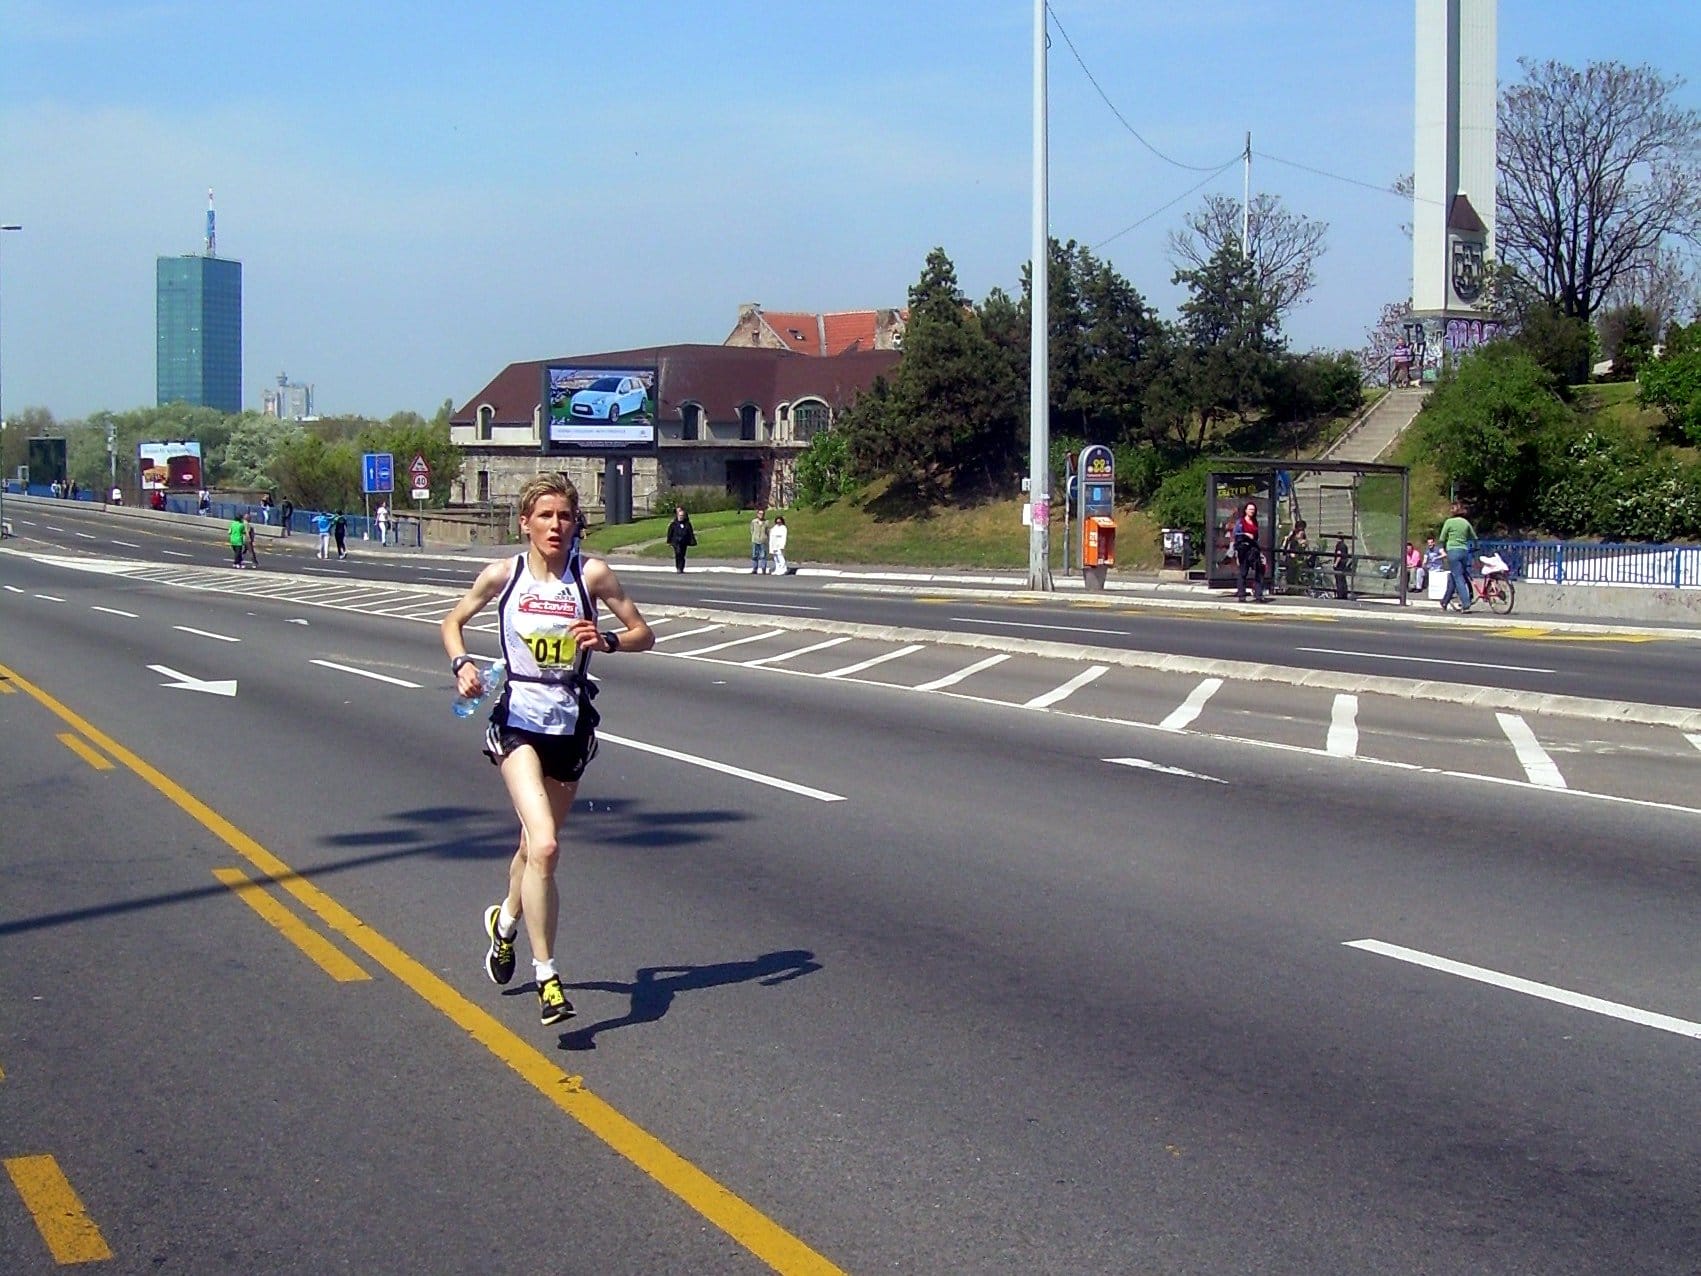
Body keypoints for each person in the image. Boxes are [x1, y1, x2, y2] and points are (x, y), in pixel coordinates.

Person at [440, 474, 655, 1027]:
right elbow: (453, 621)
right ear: (525, 523)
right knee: (547, 845)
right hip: (518, 721)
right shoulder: (503, 575)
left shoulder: (592, 575)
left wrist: (607, 640)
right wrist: (462, 664)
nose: (556, 526)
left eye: (564, 516)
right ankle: (547, 978)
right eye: (545, 516)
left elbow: (643, 633)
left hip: (570, 723)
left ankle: (505, 924)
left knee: (532, 850)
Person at [1437, 501, 1477, 613]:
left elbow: (1442, 538)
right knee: (1454, 576)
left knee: (1458, 577)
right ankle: (1445, 601)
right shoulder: (1465, 523)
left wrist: (1442, 549)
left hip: (1453, 551)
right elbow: (1474, 537)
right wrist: (1475, 547)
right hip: (1464, 551)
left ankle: (1466, 604)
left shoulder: (1449, 522)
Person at [1230, 501, 1266, 603]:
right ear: (1246, 510)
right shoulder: (1241, 522)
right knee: (1243, 572)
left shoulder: (1255, 522)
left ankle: (1258, 595)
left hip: (1253, 549)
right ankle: (1241, 595)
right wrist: (1246, 534)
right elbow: (1236, 534)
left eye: (1253, 510)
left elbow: (1256, 536)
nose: (1252, 511)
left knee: (1259, 571)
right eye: (1250, 509)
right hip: (1243, 549)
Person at [665, 505, 696, 572]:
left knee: (682, 554)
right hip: (675, 542)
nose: (681, 517)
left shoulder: (687, 524)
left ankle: (681, 567)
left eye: (682, 516)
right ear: (677, 516)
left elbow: (690, 533)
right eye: (680, 516)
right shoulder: (673, 524)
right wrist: (669, 541)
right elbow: (670, 533)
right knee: (678, 553)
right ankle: (678, 567)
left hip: (683, 542)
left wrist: (692, 541)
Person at [1280, 519, 1309, 592]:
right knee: (1290, 574)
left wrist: (1303, 543)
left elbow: (1304, 544)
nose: (1301, 530)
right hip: (1291, 557)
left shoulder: (1302, 535)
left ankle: (1294, 588)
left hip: (1298, 557)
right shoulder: (1292, 534)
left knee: (1296, 574)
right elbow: (1288, 543)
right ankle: (1290, 588)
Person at [750, 507, 769, 574]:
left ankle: (763, 569)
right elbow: (752, 530)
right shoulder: (754, 521)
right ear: (757, 514)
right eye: (760, 514)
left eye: (762, 514)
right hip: (755, 540)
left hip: (763, 541)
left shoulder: (766, 522)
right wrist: (754, 536)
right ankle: (755, 569)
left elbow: (767, 531)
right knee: (754, 555)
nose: (761, 515)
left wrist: (765, 538)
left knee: (763, 555)